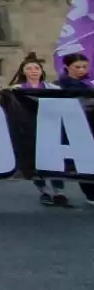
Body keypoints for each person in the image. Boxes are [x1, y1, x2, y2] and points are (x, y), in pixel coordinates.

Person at [11, 60, 69, 207]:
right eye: (29, 68)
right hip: (29, 128)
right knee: (34, 159)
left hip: (51, 126)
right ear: (24, 72)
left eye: (36, 68)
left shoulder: (53, 88)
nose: (33, 71)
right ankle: (43, 190)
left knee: (54, 158)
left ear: (41, 71)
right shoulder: (17, 89)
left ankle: (58, 191)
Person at [55, 53, 94, 204]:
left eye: (84, 66)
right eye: (77, 67)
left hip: (88, 123)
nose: (81, 70)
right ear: (66, 67)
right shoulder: (64, 84)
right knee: (85, 161)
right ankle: (91, 194)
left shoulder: (87, 82)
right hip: (76, 126)